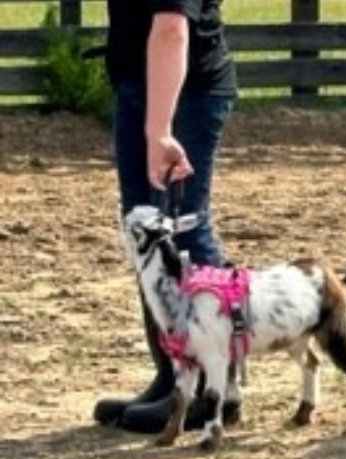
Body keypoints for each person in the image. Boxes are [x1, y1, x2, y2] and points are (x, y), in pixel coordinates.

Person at [90, 0, 241, 433]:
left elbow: (172, 27)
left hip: (185, 91)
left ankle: (215, 387)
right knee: (146, 234)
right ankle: (173, 375)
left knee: (184, 229)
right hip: (142, 84)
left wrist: (160, 131)